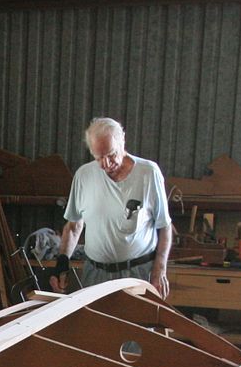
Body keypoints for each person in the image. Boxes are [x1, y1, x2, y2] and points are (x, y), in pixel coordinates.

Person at [51, 117, 172, 298]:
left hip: (137, 274)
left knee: (136, 326)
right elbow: (74, 227)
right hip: (95, 275)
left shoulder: (148, 173)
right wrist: (61, 264)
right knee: (96, 326)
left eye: (111, 154)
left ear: (122, 141)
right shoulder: (84, 176)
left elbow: (164, 226)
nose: (106, 164)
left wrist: (159, 269)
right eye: (99, 158)